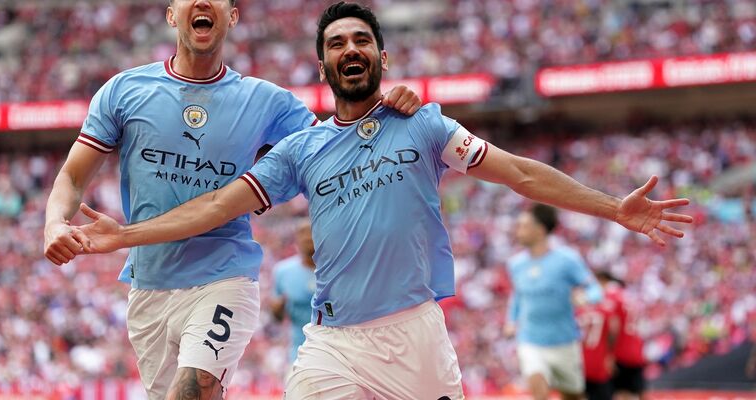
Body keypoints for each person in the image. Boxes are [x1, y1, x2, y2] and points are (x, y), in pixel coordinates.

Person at [71, 2, 693, 399]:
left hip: (416, 333)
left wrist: (614, 208)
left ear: (382, 56)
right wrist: (123, 236)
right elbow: (214, 207)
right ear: (322, 67)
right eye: (336, 43)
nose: (350, 49)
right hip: (334, 342)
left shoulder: (425, 125)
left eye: (361, 40)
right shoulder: (301, 151)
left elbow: (520, 175)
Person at [41, 0, 421, 398]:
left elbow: (335, 149)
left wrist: (386, 107)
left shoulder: (266, 101)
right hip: (149, 287)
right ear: (171, 15)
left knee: (192, 391)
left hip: (225, 277)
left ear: (232, 17)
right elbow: (71, 176)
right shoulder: (124, 91)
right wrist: (54, 223)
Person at [503, 204, 604, 400]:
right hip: (530, 340)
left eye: (523, 226)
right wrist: (511, 321)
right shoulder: (516, 264)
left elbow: (595, 290)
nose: (518, 231)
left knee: (573, 395)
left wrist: (584, 298)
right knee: (538, 386)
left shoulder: (567, 259)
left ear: (540, 230)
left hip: (564, 342)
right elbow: (518, 295)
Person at [270, 221, 315, 368]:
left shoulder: (333, 269)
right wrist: (278, 308)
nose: (307, 237)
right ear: (296, 239)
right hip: (298, 350)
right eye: (302, 233)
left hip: (333, 347)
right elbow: (278, 318)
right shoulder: (282, 271)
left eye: (311, 232)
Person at [576, 271, 623, 400]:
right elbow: (614, 331)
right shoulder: (605, 311)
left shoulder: (577, 311)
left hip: (580, 362)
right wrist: (610, 355)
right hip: (599, 361)